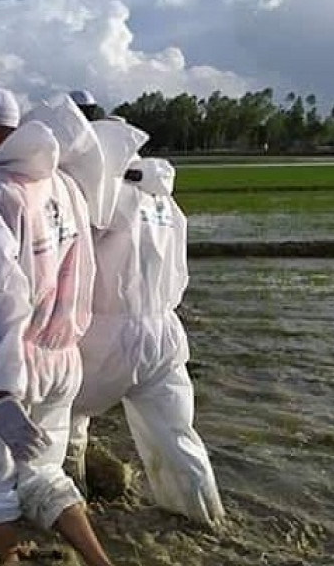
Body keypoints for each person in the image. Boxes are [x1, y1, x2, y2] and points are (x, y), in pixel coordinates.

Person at [0, 84, 113, 565]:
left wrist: (3, 391)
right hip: (58, 356)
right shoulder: (63, 187)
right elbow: (83, 272)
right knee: (44, 475)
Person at [68, 155, 225, 527]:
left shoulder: (101, 197)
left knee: (65, 418)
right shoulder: (163, 200)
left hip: (104, 333)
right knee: (177, 437)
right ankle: (204, 520)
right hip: (164, 332)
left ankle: (71, 513)